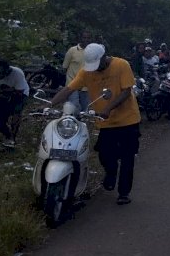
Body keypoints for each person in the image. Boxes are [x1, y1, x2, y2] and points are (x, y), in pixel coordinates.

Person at [50, 44, 141, 205]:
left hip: (128, 120)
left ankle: (124, 193)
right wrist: (51, 104)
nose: (95, 68)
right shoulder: (87, 72)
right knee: (105, 154)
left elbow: (127, 91)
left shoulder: (121, 65)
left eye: (98, 64)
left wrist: (108, 108)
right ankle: (111, 173)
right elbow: (69, 89)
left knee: (127, 158)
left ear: (104, 57)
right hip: (105, 122)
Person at [0, 60, 30, 148]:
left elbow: (19, 91)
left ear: (8, 71)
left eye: (2, 73)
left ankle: (13, 138)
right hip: (4, 94)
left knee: (16, 113)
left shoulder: (17, 73)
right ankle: (8, 134)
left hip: (21, 93)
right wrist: (5, 91)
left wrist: (3, 90)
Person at [61, 30, 91, 112]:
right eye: (84, 38)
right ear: (80, 38)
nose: (86, 40)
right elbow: (65, 67)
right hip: (72, 84)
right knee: (74, 106)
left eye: (88, 38)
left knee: (84, 110)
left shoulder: (91, 52)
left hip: (86, 86)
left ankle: (80, 124)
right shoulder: (72, 50)